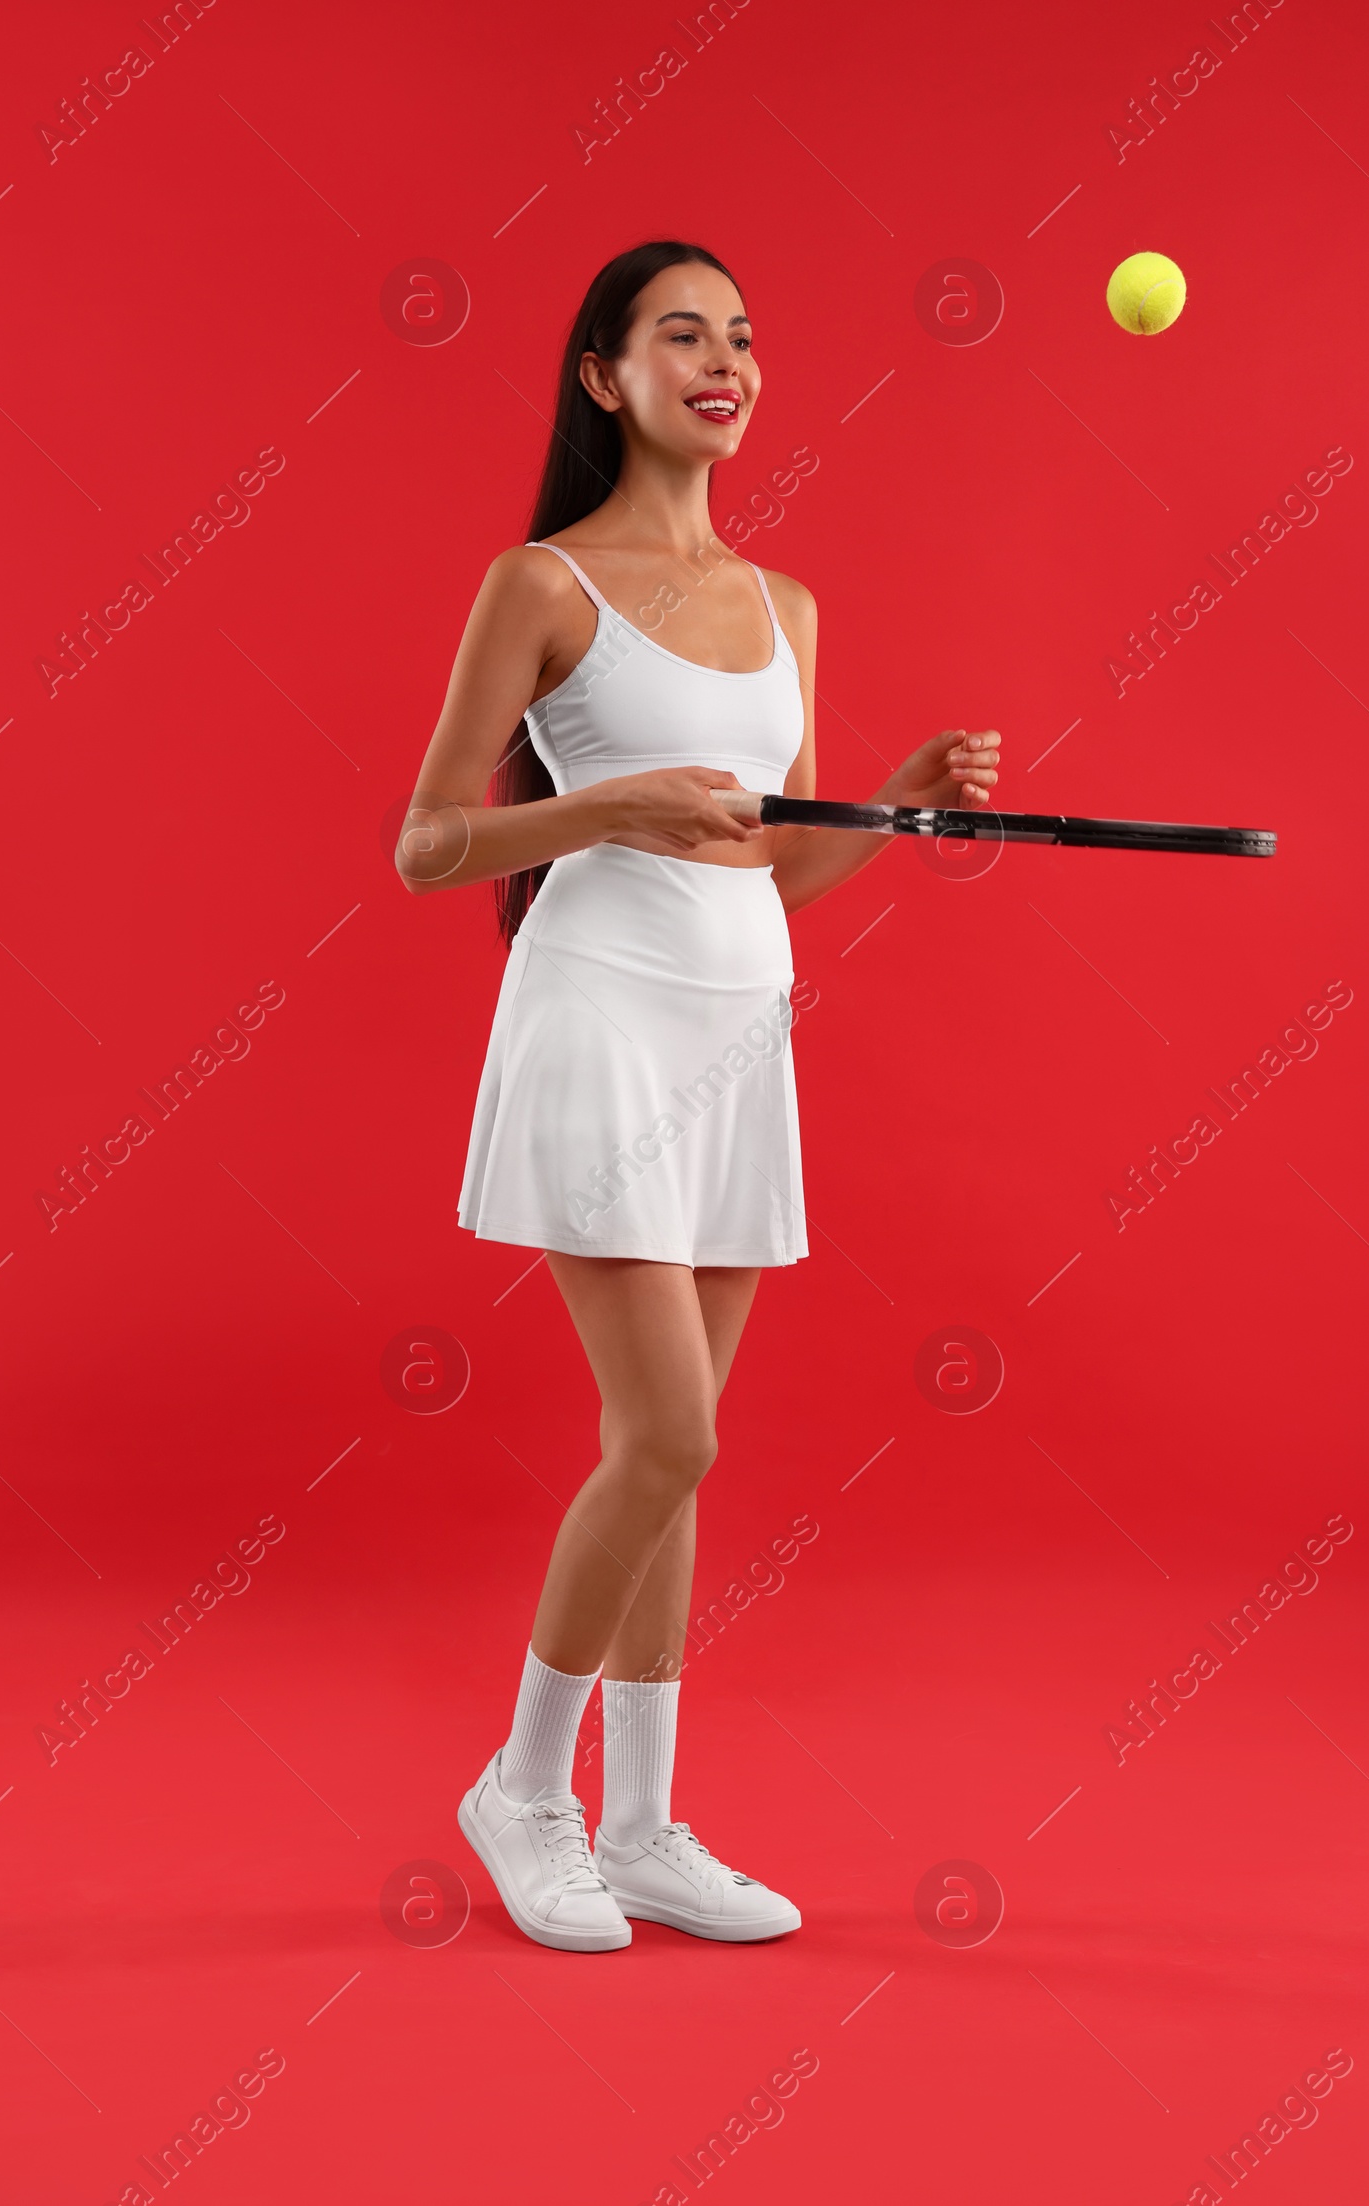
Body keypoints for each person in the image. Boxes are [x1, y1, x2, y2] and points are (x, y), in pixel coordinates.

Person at [395, 239, 1001, 1951]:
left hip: (742, 1030)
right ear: (607, 375)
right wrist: (606, 809)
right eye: (684, 334)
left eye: (743, 334)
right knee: (672, 1430)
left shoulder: (787, 606)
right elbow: (430, 843)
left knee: (672, 1467)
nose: (723, 360)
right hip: (597, 1013)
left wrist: (886, 802)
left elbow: (777, 866)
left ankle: (650, 1821)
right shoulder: (541, 583)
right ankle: (523, 1793)